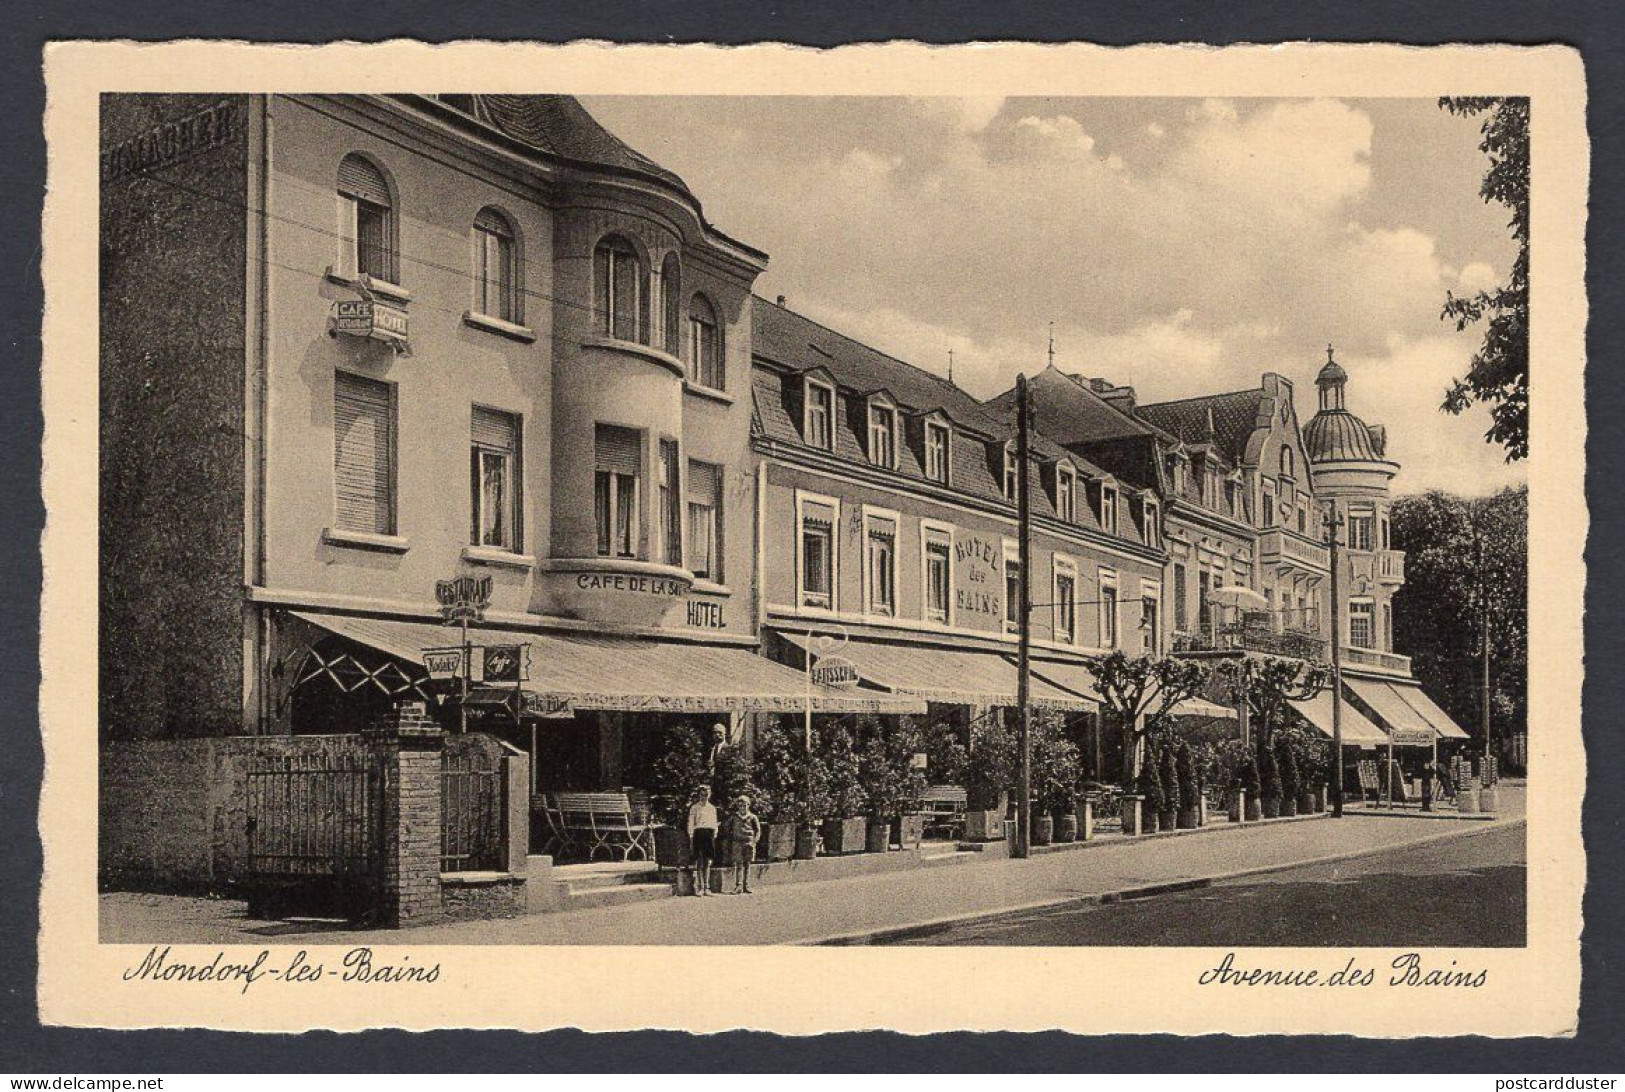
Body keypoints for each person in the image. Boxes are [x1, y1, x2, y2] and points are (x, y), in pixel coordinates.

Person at [685, 785, 718, 897]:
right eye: (702, 795)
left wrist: (714, 835)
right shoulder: (694, 808)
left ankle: (707, 887)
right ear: (699, 795)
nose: (704, 797)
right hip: (698, 834)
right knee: (699, 861)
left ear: (710, 795)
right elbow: (691, 823)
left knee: (708, 861)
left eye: (706, 795)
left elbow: (714, 823)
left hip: (709, 834)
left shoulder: (712, 808)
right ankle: (700, 886)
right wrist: (691, 836)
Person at [727, 795, 762, 895]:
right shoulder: (734, 817)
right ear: (738, 806)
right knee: (738, 864)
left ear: (748, 805)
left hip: (749, 843)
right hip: (737, 843)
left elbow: (758, 830)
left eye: (745, 805)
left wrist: (754, 841)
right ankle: (738, 886)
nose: (742, 807)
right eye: (740, 805)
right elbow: (727, 828)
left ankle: (746, 885)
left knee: (747, 864)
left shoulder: (752, 817)